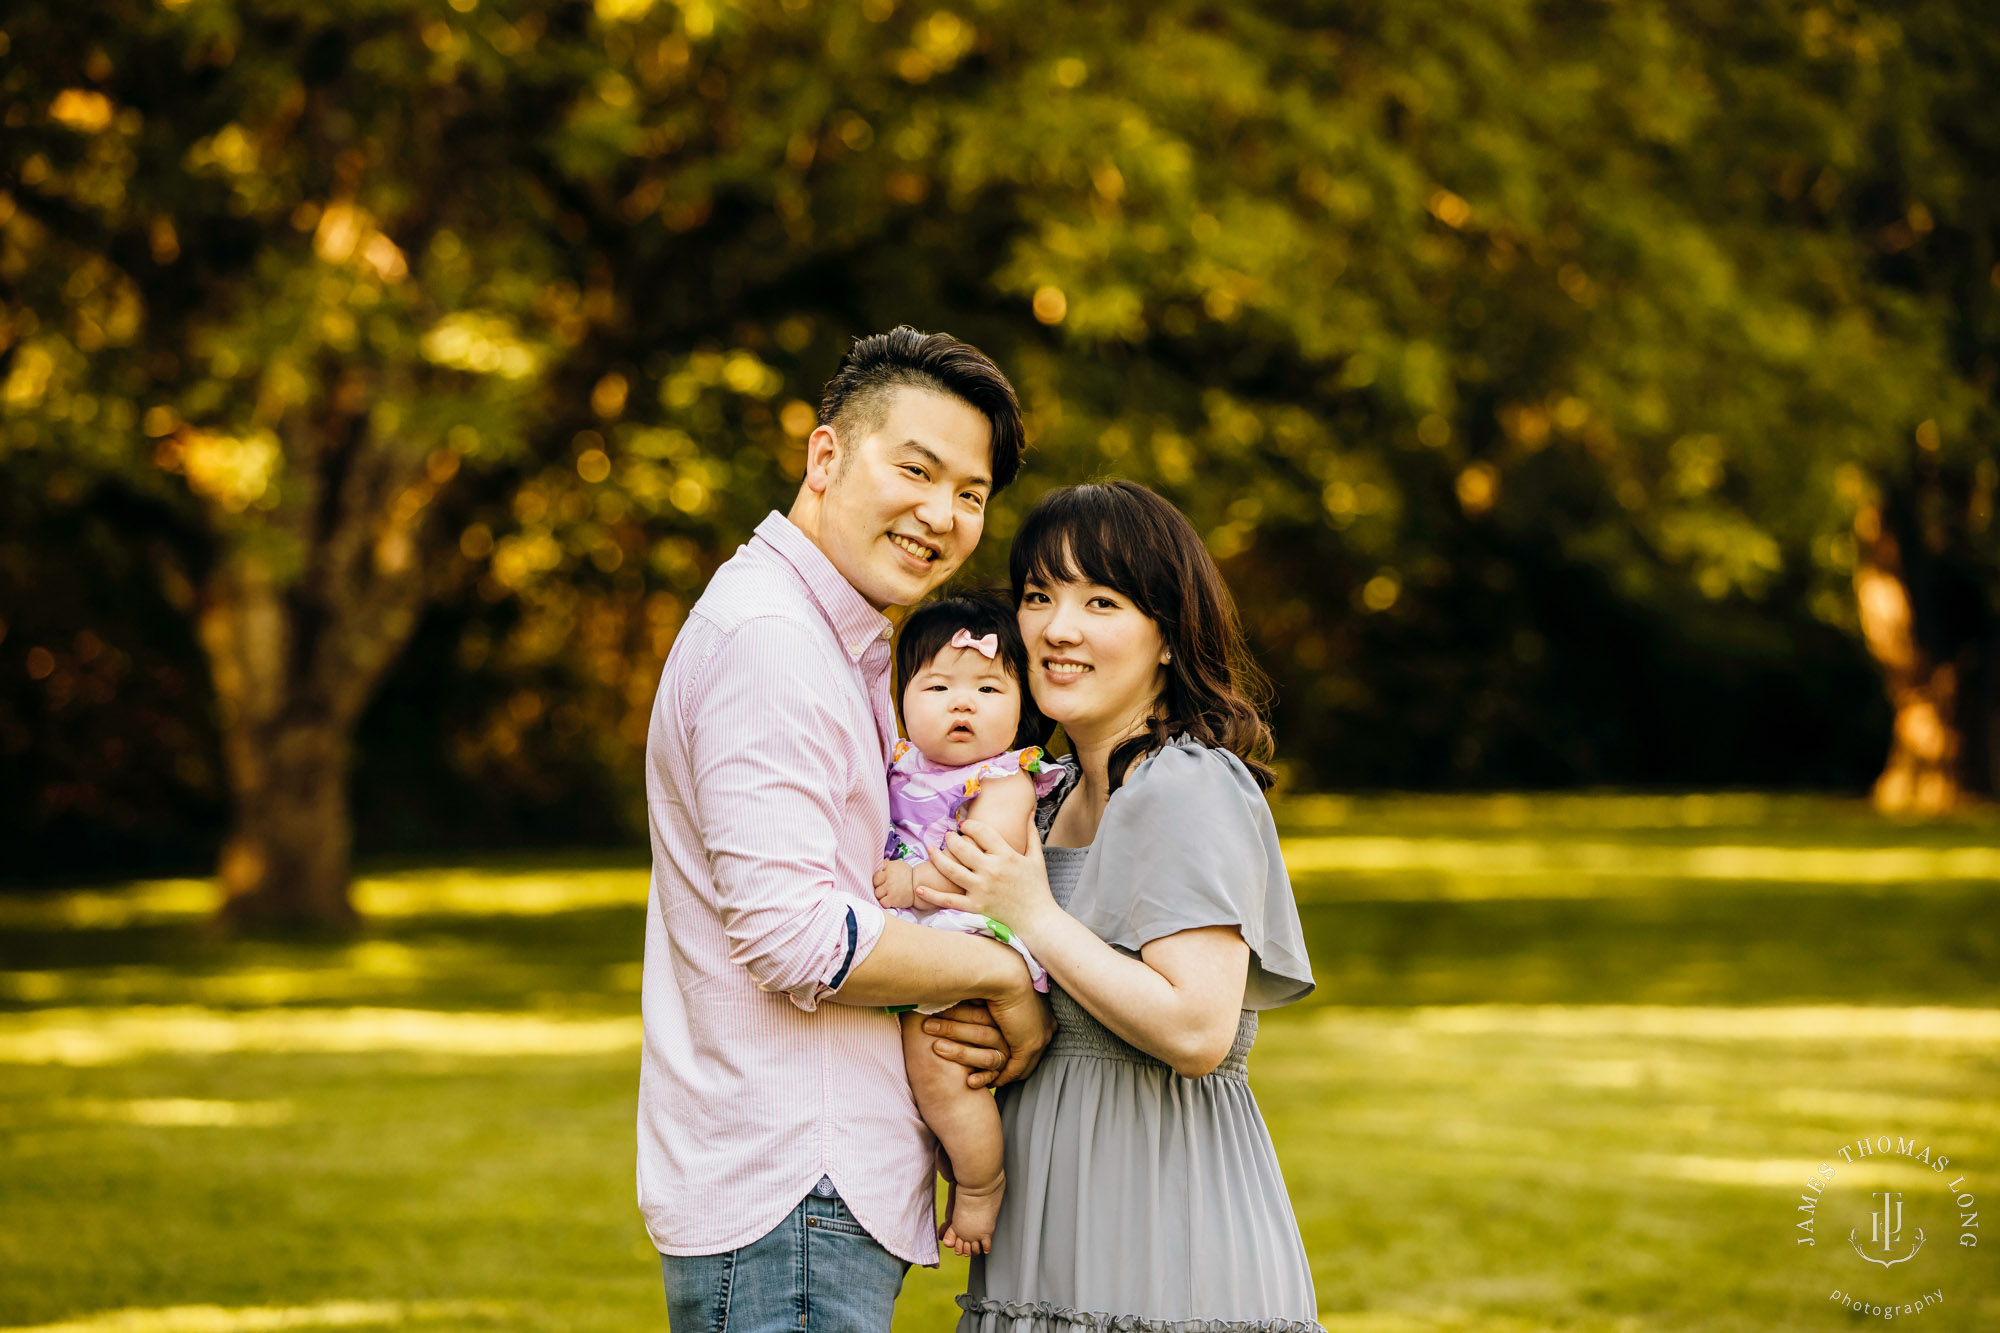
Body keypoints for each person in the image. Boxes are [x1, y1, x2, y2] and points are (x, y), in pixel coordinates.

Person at [638, 328, 1055, 1333]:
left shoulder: (845, 644)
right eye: (914, 470)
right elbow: (796, 937)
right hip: (791, 1187)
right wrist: (1002, 978)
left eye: (969, 491)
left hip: (814, 1194)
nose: (940, 513)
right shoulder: (771, 643)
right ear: (824, 457)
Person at [916, 480, 1325, 1332]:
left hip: (1161, 1237)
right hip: (1041, 1236)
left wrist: (1034, 916)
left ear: (1169, 635)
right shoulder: (1042, 794)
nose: (1057, 628)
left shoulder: (1187, 786)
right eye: (1038, 596)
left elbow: (1196, 1030)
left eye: (1099, 599)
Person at [870, 591, 1070, 1258]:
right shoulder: (898, 763)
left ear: (1022, 704)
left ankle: (980, 1187)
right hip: (915, 935)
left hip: (968, 931)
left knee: (940, 1073)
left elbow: (979, 869)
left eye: (988, 686)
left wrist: (911, 882)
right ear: (903, 697)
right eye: (939, 685)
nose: (964, 702)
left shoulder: (1005, 778)